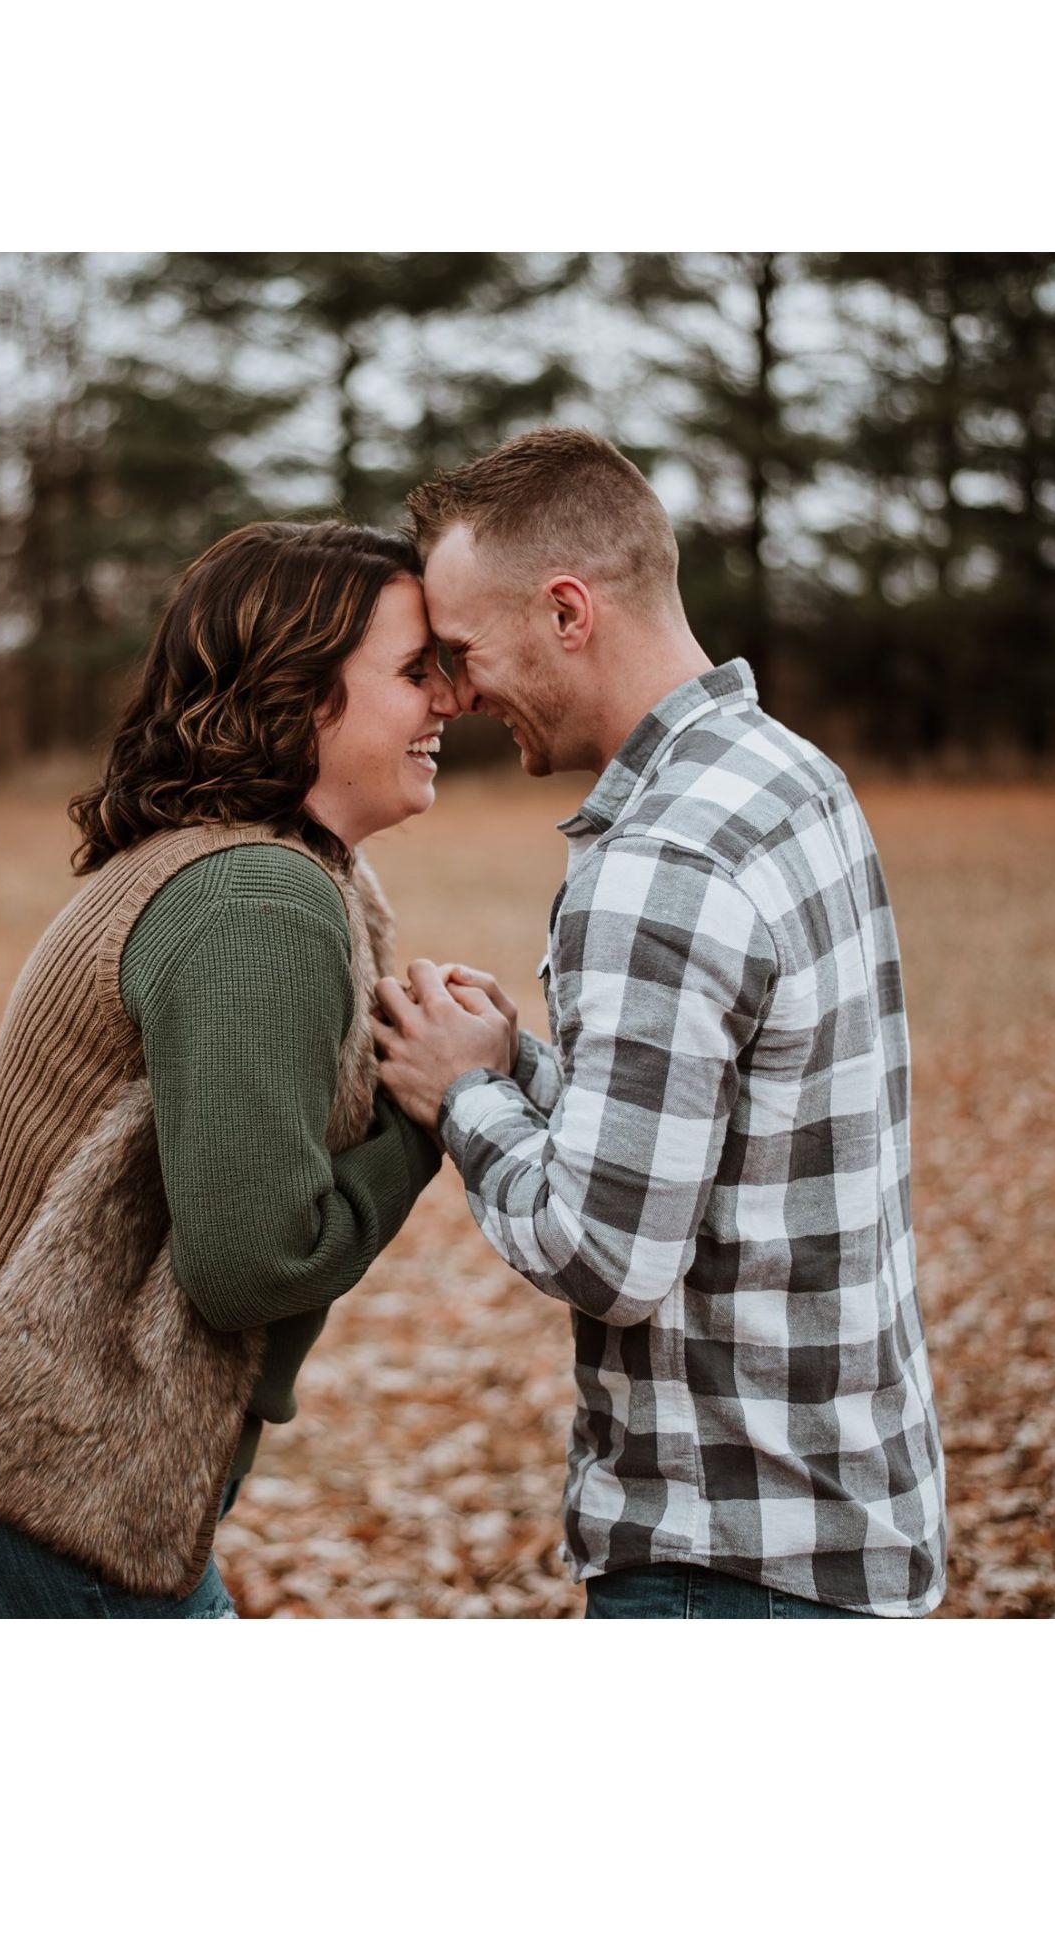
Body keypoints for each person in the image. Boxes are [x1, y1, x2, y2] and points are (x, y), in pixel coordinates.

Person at [373, 428, 948, 1618]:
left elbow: (606, 1252)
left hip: (724, 1558)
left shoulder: (654, 861)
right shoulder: (788, 778)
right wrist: (521, 1060)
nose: (460, 693)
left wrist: (462, 1095)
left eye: (466, 650)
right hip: (844, 1507)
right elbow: (710, 1127)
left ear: (567, 611)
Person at [0, 521, 457, 1617]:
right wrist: (429, 1114)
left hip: (10, 1457)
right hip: (46, 1497)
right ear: (299, 691)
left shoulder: (236, 860)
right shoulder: (255, 900)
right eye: (411, 670)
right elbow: (249, 1260)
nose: (448, 699)